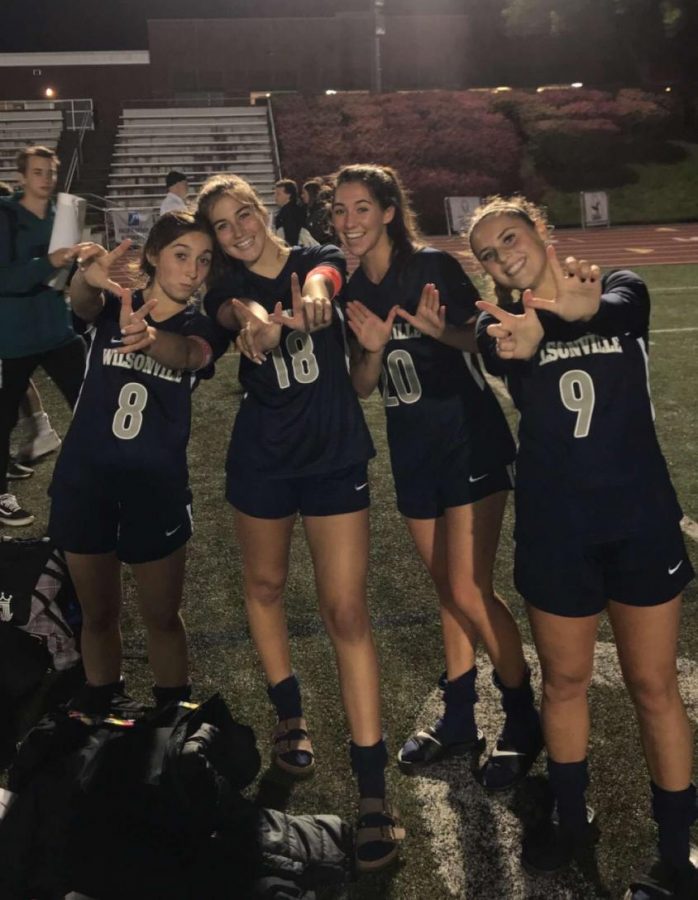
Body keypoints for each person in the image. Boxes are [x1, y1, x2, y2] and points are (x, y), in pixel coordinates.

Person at [470, 195, 697, 898]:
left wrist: (572, 312)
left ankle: (674, 852)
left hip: (640, 520)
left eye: (510, 236)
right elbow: (505, 353)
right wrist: (529, 336)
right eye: (487, 252)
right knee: (564, 683)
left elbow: (621, 310)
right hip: (556, 529)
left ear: (541, 231)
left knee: (655, 688)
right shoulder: (493, 329)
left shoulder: (621, 286)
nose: (503, 253)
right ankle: (572, 821)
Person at [197, 173, 404, 873]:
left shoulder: (321, 260)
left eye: (242, 214)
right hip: (262, 459)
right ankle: (290, 712)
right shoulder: (224, 288)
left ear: (262, 209)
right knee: (263, 586)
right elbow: (232, 310)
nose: (237, 230)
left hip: (332, 453)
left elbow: (322, 276)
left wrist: (320, 300)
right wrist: (252, 317)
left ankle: (373, 789)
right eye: (222, 225)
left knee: (346, 611)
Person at [331, 164, 542, 791]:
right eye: (340, 211)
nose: (350, 222)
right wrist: (369, 347)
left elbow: (484, 342)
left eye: (362, 208)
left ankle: (523, 718)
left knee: (470, 588)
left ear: (389, 211)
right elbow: (362, 384)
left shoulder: (431, 267)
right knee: (447, 591)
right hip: (411, 446)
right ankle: (457, 718)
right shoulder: (351, 290)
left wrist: (436, 331)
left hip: (467, 436)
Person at [47, 210, 228, 713]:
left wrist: (152, 338)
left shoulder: (203, 326)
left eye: (204, 260)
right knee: (97, 613)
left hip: (156, 486)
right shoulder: (114, 305)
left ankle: (172, 716)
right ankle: (102, 708)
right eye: (181, 255)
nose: (193, 270)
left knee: (162, 616)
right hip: (87, 479)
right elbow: (84, 304)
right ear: (152, 256)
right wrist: (87, 276)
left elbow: (192, 355)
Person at [0, 146, 86, 526]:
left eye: (50, 172)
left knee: (90, 402)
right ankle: (2, 495)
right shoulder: (5, 215)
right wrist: (49, 263)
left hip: (57, 330)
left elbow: (64, 280)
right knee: (3, 419)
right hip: (13, 337)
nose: (46, 179)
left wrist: (80, 265)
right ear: (22, 176)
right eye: (37, 172)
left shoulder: (64, 215)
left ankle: (101, 474)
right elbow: (5, 278)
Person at [274, 178, 306, 247]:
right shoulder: (296, 209)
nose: (275, 197)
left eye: (278, 194)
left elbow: (291, 237)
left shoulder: (289, 213)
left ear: (288, 195)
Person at [301, 178, 333, 245]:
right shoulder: (310, 210)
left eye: (304, 193)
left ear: (310, 193)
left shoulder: (322, 211)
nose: (302, 196)